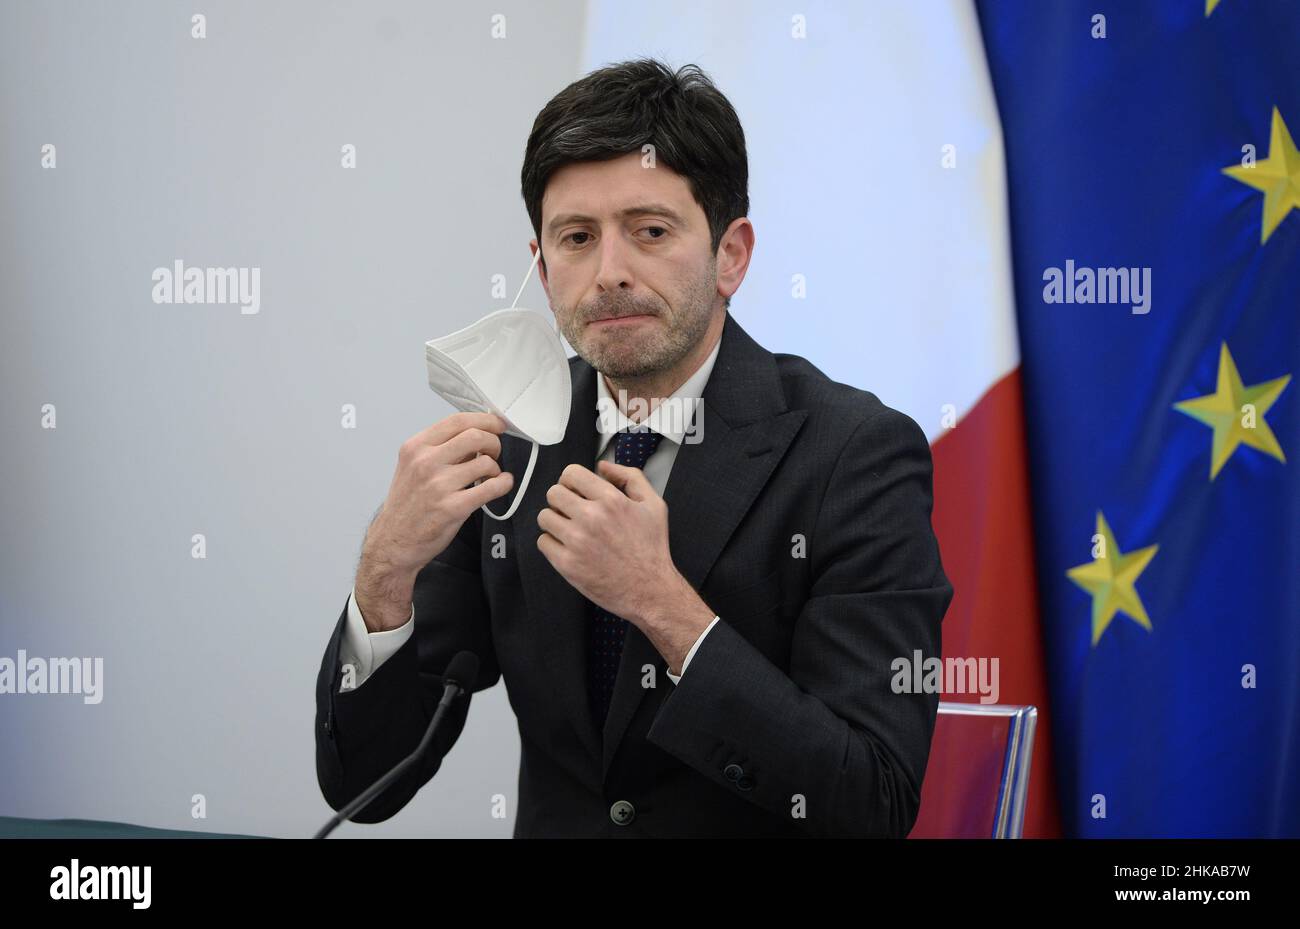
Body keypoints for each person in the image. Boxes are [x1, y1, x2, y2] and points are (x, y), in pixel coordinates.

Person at [315, 58, 952, 838]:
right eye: (576, 238)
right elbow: (367, 786)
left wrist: (663, 606)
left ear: (731, 255)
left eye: (649, 231)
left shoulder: (855, 454)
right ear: (542, 271)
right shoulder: (512, 443)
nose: (609, 272)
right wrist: (384, 571)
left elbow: (872, 803)